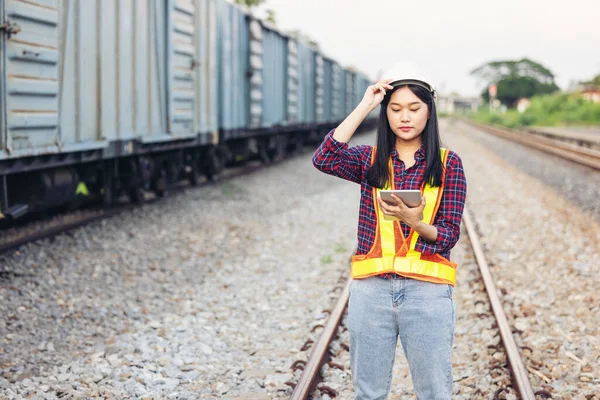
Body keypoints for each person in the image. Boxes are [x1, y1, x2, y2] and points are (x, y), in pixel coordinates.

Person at [312, 63, 467, 400]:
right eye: (395, 109)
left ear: (429, 112)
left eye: (414, 108)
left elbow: (449, 234)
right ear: (387, 115)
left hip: (427, 293)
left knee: (435, 393)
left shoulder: (448, 164)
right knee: (368, 393)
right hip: (372, 292)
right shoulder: (370, 160)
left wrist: (415, 222)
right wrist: (366, 104)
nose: (404, 117)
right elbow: (324, 157)